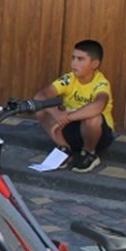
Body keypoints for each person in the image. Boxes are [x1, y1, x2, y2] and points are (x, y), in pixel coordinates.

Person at [34, 39, 116, 173]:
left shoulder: (101, 83)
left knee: (92, 117)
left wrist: (68, 117)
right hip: (71, 130)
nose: (74, 63)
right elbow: (40, 96)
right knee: (41, 110)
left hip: (98, 135)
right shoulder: (69, 79)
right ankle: (64, 149)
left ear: (94, 64)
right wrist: (57, 114)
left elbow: (98, 105)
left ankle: (89, 153)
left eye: (80, 59)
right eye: (73, 58)